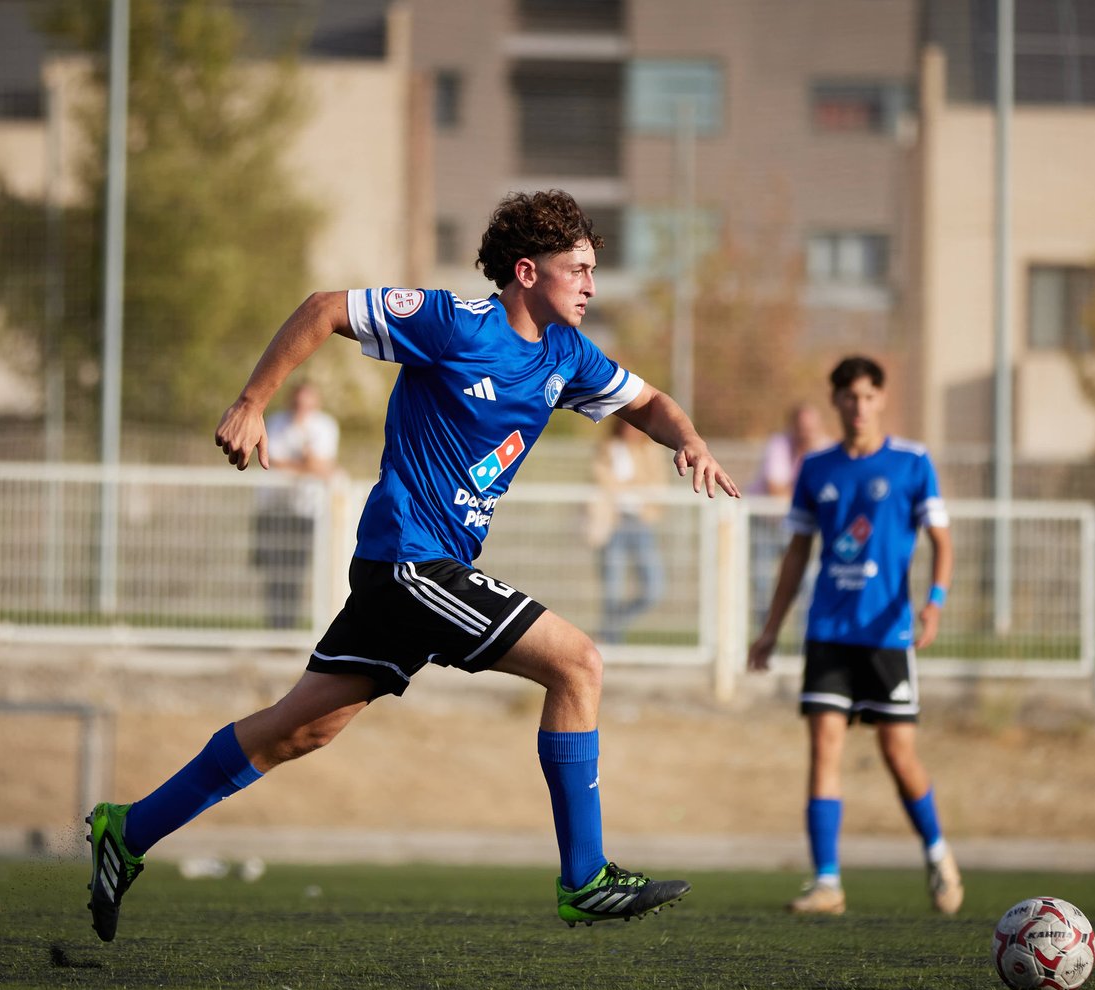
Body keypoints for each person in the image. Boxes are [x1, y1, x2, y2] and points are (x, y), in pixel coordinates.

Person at [84, 190, 739, 942]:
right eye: (578, 269)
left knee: (298, 731)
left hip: (416, 569)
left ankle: (127, 831)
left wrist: (691, 439)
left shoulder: (567, 354)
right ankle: (585, 877)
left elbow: (649, 402)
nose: (592, 285)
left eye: (593, 270)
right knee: (578, 664)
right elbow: (324, 308)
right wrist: (253, 401)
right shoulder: (454, 322)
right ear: (527, 272)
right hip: (411, 561)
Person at [747, 355, 961, 917]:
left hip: (887, 634)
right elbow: (797, 553)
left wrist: (934, 603)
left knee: (897, 754)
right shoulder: (816, 468)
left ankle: (937, 852)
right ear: (836, 401)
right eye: (849, 397)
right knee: (824, 746)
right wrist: (769, 630)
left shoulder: (912, 462)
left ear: (881, 399)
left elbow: (942, 541)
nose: (859, 407)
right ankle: (827, 882)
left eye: (868, 396)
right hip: (828, 631)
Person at [253, 381, 339, 629]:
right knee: (275, 571)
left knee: (298, 571)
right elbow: (273, 462)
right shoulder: (275, 422)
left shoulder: (325, 426)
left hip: (307, 511)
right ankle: (277, 628)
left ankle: (291, 628)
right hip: (274, 509)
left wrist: (308, 464)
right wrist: (309, 464)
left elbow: (322, 466)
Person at [747, 403, 833, 628]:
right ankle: (765, 637)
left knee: (807, 585)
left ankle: (803, 642)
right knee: (762, 585)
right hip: (766, 525)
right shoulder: (778, 445)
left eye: (811, 428)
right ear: (792, 426)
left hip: (799, 529)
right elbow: (776, 490)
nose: (806, 433)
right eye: (802, 427)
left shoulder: (826, 450)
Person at [588, 416, 666, 644]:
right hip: (613, 523)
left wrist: (626, 485)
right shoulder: (607, 448)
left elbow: (656, 485)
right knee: (612, 588)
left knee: (653, 588)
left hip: (641, 523)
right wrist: (631, 485)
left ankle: (611, 627)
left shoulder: (650, 450)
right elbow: (601, 480)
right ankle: (612, 642)